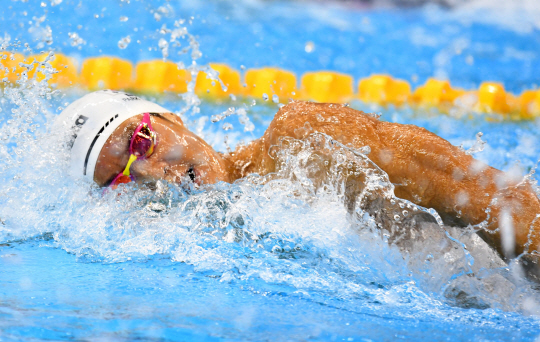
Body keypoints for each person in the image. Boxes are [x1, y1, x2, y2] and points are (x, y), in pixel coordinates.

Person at [57, 90, 540, 280]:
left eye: (141, 140)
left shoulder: (306, 137)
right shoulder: (207, 255)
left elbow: (502, 202)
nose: (153, 171)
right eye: (123, 180)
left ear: (171, 116)